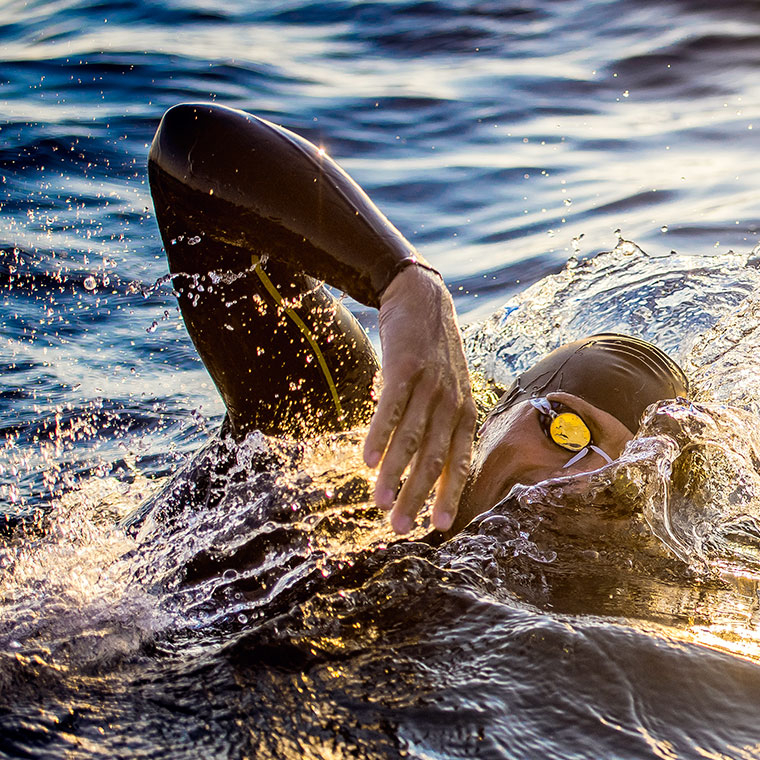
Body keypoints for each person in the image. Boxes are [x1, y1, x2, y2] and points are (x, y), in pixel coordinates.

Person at [147, 102, 688, 537]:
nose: (577, 482)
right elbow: (191, 145)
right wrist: (402, 279)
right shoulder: (334, 439)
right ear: (493, 411)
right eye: (568, 432)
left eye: (618, 483)